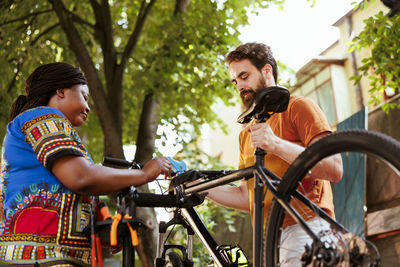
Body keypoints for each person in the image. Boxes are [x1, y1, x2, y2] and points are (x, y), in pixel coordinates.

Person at [0, 62, 172, 266]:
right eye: (84, 96)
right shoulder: (42, 117)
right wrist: (144, 174)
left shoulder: (57, 133)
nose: (88, 107)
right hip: (41, 257)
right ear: (61, 91)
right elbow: (81, 177)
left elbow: (77, 185)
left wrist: (104, 225)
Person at [206, 43, 343, 266]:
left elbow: (333, 167)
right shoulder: (245, 135)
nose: (240, 86)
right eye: (235, 81)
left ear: (267, 71)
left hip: (305, 228)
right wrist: (202, 189)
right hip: (267, 241)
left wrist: (275, 144)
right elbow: (246, 196)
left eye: (244, 76)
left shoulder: (298, 107)